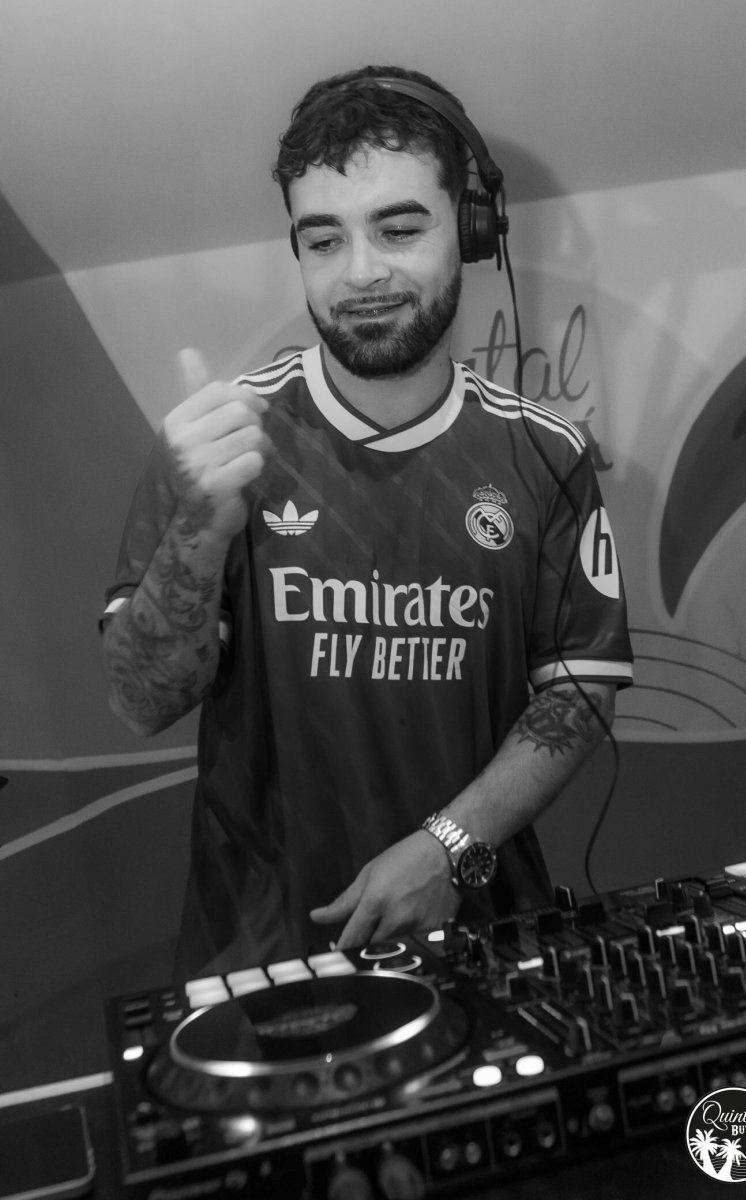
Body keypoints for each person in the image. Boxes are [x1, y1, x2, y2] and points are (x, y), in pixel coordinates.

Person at [101, 65, 633, 977]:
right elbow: (140, 703)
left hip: (484, 940)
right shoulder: (217, 443)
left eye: (399, 228)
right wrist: (201, 531)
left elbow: (579, 690)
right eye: (323, 239)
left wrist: (449, 847)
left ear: (471, 231)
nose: (360, 273)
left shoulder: (548, 456)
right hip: (261, 955)